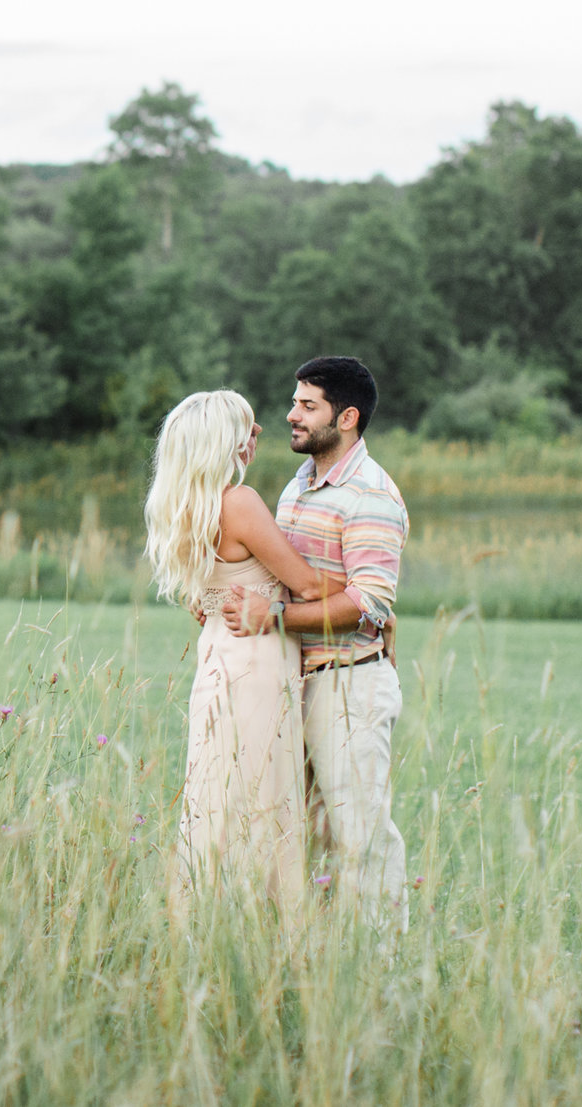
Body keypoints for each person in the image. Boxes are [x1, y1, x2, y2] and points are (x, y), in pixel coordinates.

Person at [224, 356, 409, 927]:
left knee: (359, 834)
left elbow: (368, 604)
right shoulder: (299, 484)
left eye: (308, 406)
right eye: (295, 402)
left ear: (347, 417)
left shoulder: (370, 495)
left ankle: (381, 968)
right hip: (288, 684)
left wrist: (274, 617)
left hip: (348, 685)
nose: (291, 415)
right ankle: (314, 960)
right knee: (295, 834)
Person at [143, 388, 343, 910]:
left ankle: (210, 919)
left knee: (218, 799)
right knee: (262, 799)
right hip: (255, 663)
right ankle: (268, 930)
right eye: (247, 427)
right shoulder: (240, 502)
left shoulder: (183, 509)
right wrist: (366, 591)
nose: (258, 434)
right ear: (223, 442)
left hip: (216, 662)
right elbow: (307, 586)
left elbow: (202, 599)